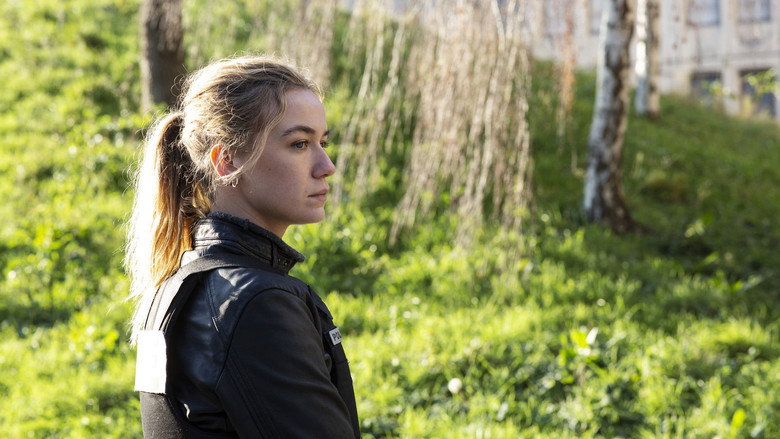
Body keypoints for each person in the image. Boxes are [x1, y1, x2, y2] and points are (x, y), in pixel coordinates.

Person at [125, 55, 360, 438]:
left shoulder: (175, 285)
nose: (326, 165)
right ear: (227, 160)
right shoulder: (256, 303)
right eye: (300, 144)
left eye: (323, 142)